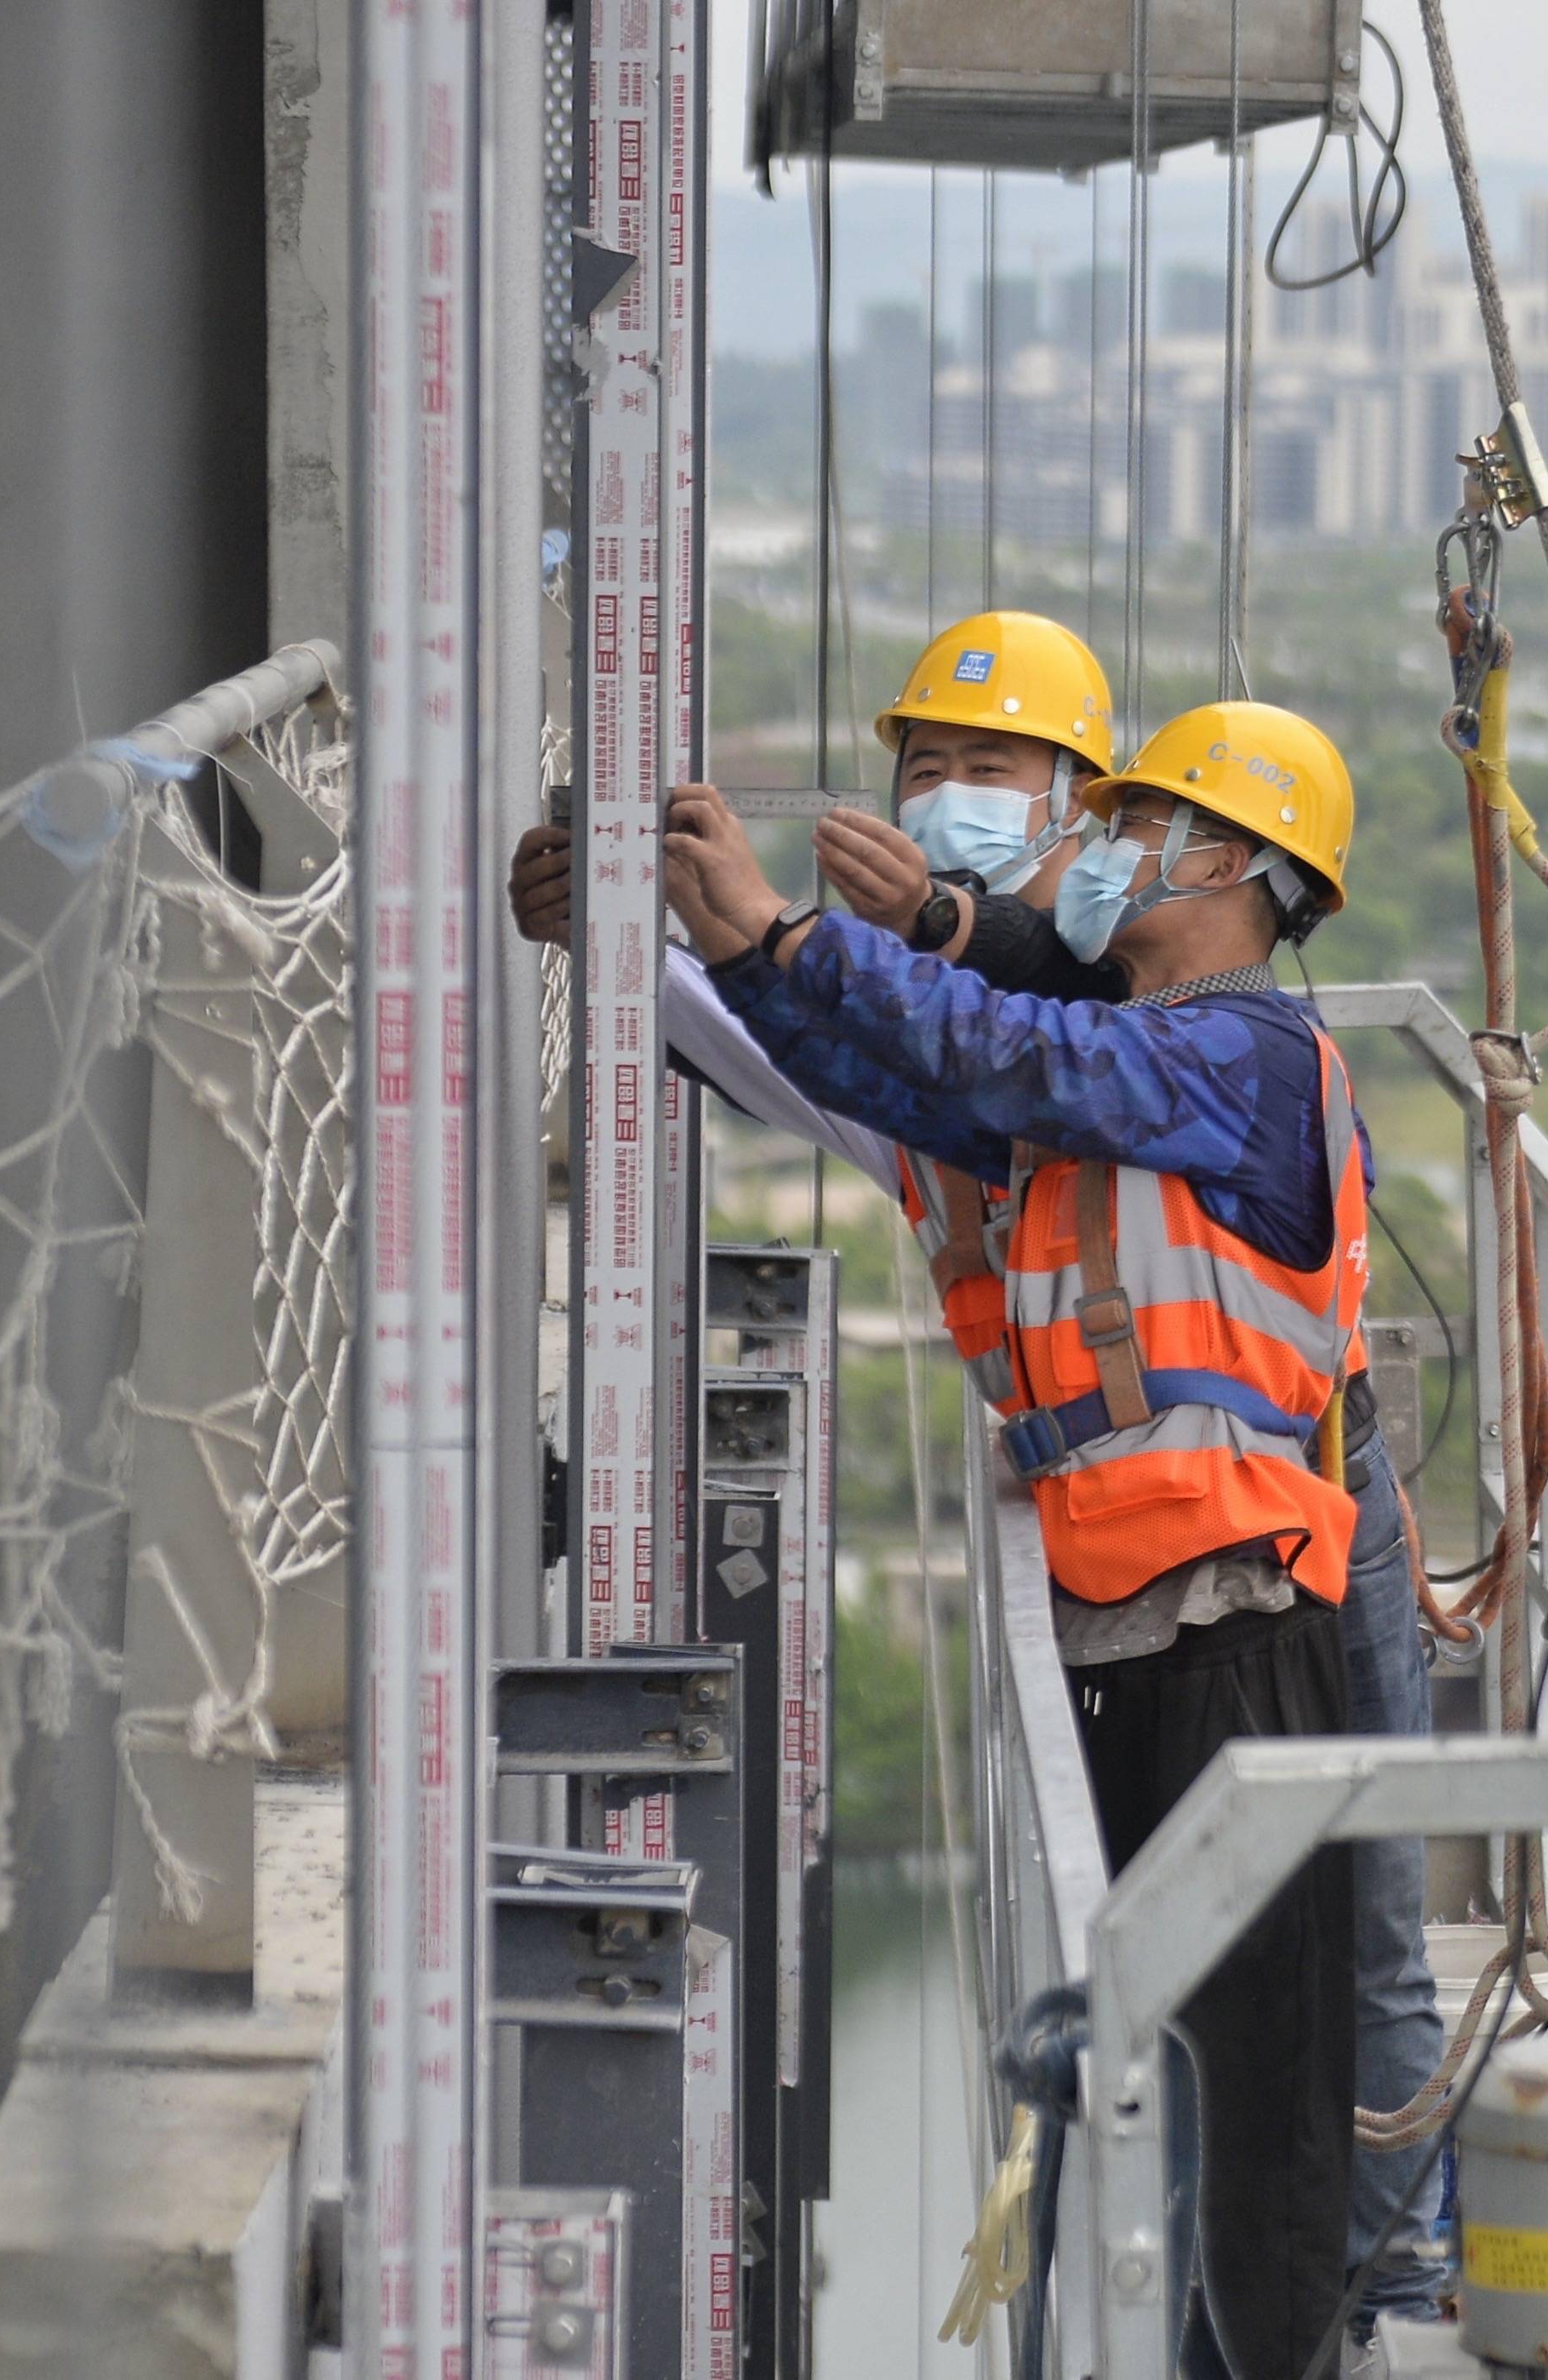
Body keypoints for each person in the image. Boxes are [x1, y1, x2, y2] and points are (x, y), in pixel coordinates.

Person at [662, 701, 1373, 2378]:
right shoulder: (1126, 1076)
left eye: (1140, 824)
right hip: (1129, 1633)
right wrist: (710, 958)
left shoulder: (1243, 1061)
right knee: (1148, 2063)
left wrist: (785, 931)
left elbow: (1020, 1055)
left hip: (1240, 1629)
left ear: (1224, 861)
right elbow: (903, 1073)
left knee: (1267, 2095)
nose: (1102, 853)